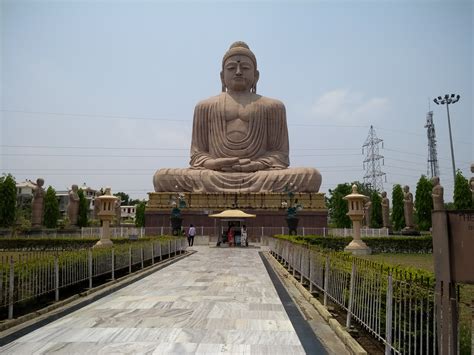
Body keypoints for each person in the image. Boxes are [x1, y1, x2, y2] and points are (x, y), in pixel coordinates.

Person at [153, 41, 321, 193]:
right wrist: (213, 163)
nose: (239, 72)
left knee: (311, 176)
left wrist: (256, 165)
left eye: (245, 68)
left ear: (256, 76)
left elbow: (280, 154)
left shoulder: (273, 106)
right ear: (222, 76)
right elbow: (198, 154)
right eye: (232, 68)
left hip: (259, 175)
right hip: (214, 174)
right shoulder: (204, 106)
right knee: (162, 177)